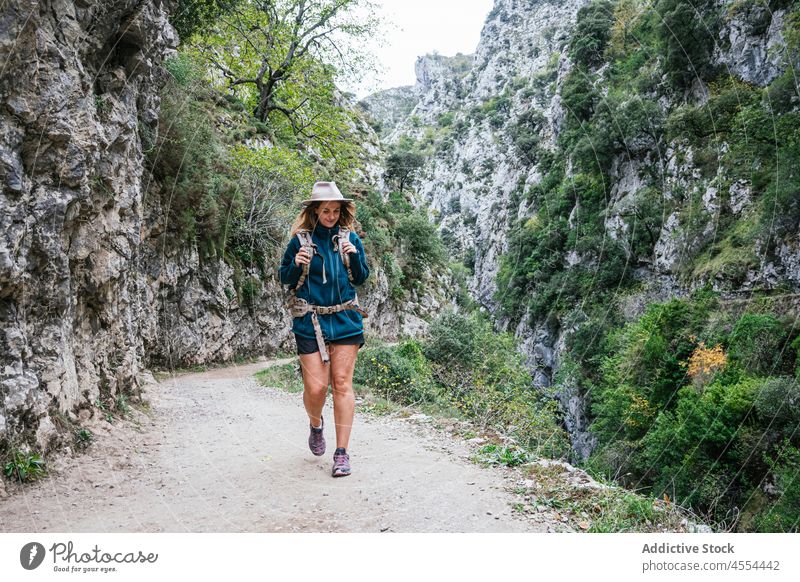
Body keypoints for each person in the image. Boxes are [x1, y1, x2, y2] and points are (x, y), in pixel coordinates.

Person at [279, 181, 370, 477]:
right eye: (325, 211)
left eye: (335, 210)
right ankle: (315, 424)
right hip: (310, 320)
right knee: (316, 387)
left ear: (342, 211)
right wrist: (295, 262)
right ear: (314, 212)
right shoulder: (300, 241)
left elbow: (361, 277)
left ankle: (342, 454)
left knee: (342, 384)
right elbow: (285, 278)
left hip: (345, 319)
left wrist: (353, 253)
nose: (331, 215)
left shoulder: (349, 238)